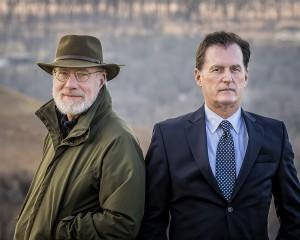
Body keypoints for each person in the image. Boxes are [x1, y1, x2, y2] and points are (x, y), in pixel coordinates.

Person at [138, 31, 300, 240]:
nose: (227, 78)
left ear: (245, 76)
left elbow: (294, 216)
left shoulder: (274, 134)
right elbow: (152, 220)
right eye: (217, 69)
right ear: (198, 76)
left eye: (235, 69)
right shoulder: (168, 137)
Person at [14, 34, 145, 240]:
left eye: (82, 74)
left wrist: (60, 232)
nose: (70, 84)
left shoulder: (118, 140)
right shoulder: (57, 133)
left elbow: (122, 225)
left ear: (101, 80)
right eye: (62, 73)